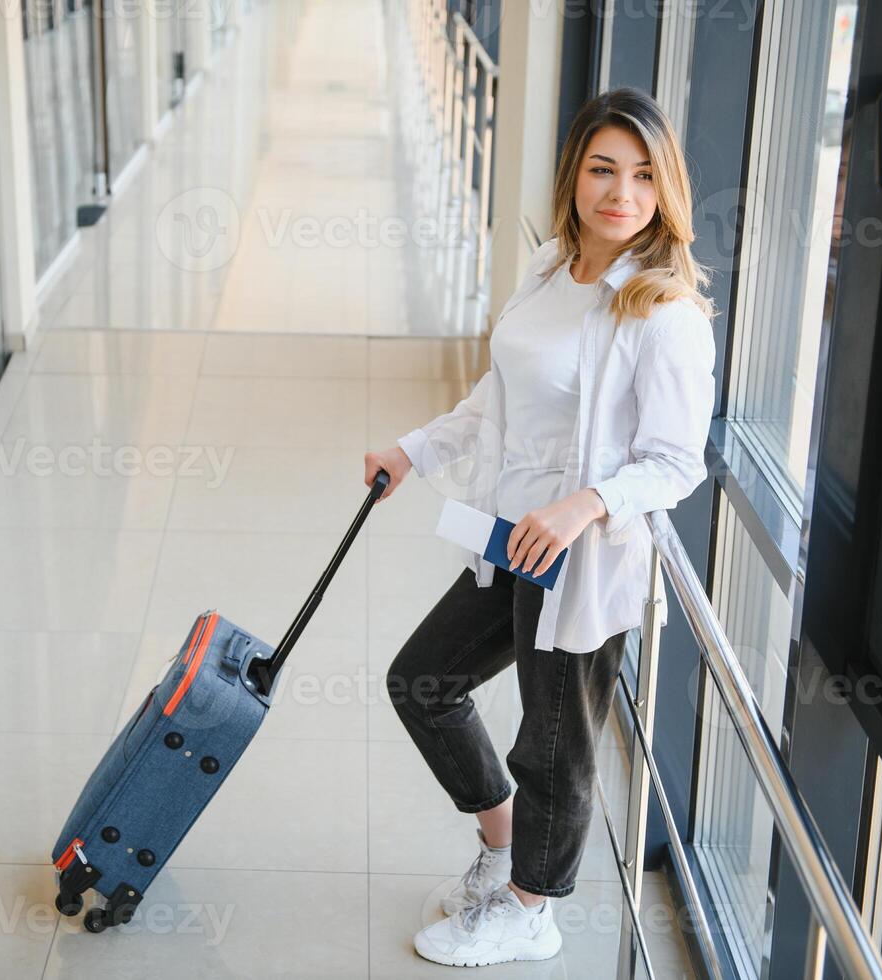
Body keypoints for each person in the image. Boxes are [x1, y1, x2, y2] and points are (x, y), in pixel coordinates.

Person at [363, 87, 718, 967]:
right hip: (504, 540)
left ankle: (532, 905)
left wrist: (583, 503)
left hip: (578, 560)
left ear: (664, 188)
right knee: (422, 681)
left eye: (642, 176)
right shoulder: (553, 265)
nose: (620, 193)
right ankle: (499, 840)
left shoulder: (661, 313)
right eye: (602, 168)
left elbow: (677, 461)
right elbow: (500, 396)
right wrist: (412, 448)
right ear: (574, 174)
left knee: (552, 745)